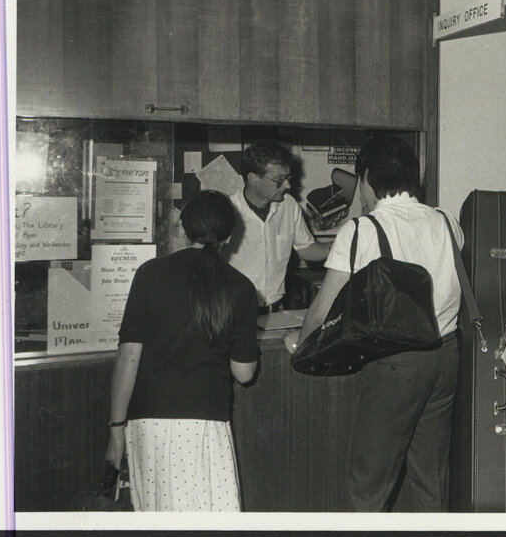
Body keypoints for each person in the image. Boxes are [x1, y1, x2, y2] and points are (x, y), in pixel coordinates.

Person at [286, 135, 464, 512]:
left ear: (367, 177)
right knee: (431, 480)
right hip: (446, 357)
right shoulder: (447, 220)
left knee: (369, 484)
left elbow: (322, 308)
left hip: (396, 364)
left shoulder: (362, 230)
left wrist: (300, 345)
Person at [104, 190, 259, 511]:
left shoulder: (149, 274)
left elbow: (128, 356)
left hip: (148, 424)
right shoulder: (241, 286)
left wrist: (116, 430)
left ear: (183, 228)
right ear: (229, 236)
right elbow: (244, 373)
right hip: (205, 424)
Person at [225, 140, 330, 313]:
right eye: (279, 180)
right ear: (253, 178)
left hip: (276, 310)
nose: (287, 185)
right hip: (235, 311)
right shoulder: (227, 210)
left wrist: (343, 244)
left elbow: (306, 249)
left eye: (288, 178)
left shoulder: (289, 205)